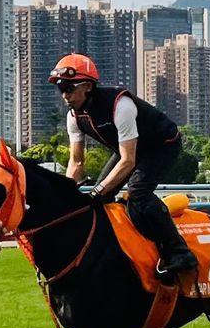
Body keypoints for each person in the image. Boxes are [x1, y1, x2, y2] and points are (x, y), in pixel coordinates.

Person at [50, 53, 197, 276]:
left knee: (138, 194)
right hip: (130, 149)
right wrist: (66, 195)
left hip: (161, 145)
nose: (65, 96)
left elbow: (128, 161)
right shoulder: (74, 117)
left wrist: (97, 191)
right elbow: (77, 162)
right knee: (100, 201)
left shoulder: (121, 105)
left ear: (88, 86)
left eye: (69, 88)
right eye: (61, 90)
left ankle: (180, 251)